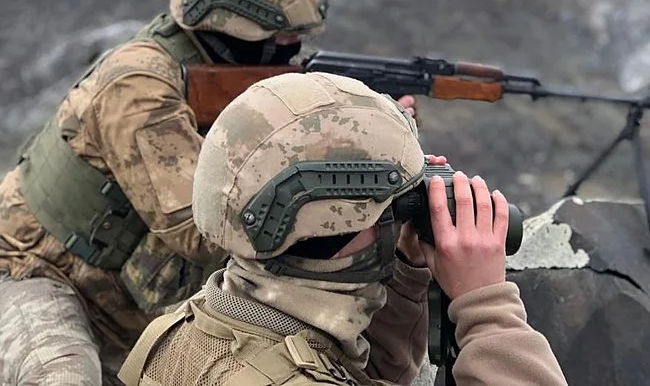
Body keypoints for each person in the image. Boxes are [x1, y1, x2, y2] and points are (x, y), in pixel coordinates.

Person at [0, 0, 416, 386]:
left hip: (121, 294)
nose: (292, 50)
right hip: (32, 271)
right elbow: (202, 230)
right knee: (64, 377)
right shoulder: (138, 86)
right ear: (232, 28)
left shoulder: (210, 72)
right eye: (284, 38)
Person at [118, 72, 567, 386]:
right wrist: (485, 305)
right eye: (390, 207)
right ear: (339, 227)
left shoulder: (196, 327)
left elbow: (355, 371)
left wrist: (406, 271)